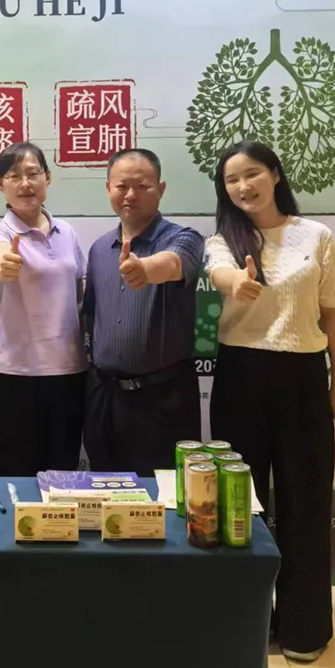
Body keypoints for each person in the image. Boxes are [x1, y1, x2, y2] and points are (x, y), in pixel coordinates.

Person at [205, 141, 335, 664]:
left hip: (303, 378)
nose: (243, 186)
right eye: (231, 180)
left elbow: (333, 316)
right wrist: (238, 282)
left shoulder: (317, 236)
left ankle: (303, 628)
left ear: (275, 175)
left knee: (305, 503)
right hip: (240, 377)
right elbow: (220, 273)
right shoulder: (222, 239)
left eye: (252, 174)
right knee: (239, 505)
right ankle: (245, 624)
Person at [83, 148, 204, 475]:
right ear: (108, 188)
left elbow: (174, 263)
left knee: (162, 497)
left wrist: (146, 269)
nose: (130, 195)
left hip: (163, 400)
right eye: (122, 186)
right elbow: (91, 317)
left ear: (160, 189)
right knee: (104, 490)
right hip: (105, 398)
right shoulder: (99, 249)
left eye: (142, 186)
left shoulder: (185, 238)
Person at [0, 142, 87, 474]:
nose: (25, 184)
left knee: (63, 471)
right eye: (14, 176)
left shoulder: (67, 232)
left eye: (33, 174)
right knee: (16, 471)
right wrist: (5, 261)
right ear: (0, 184)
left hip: (68, 370)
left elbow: (79, 294)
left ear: (47, 178)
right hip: (14, 372)